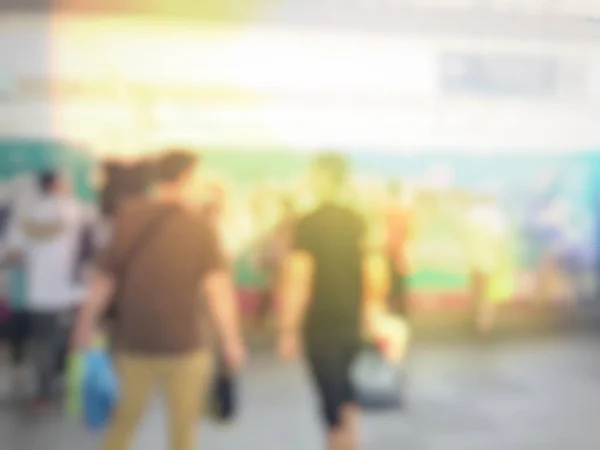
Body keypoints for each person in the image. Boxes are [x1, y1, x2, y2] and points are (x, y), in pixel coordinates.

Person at [71, 150, 245, 450]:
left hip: (133, 345)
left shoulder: (129, 217)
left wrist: (83, 328)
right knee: (184, 436)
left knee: (121, 428)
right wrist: (231, 341)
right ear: (185, 178)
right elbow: (218, 291)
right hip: (187, 346)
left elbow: (103, 281)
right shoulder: (201, 225)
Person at [278, 152, 389, 450]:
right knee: (348, 391)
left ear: (322, 177)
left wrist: (288, 328)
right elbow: (375, 270)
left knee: (330, 397)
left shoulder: (309, 223)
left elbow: (299, 277)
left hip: (321, 324)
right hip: (353, 320)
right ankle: (352, 443)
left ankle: (338, 445)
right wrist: (372, 312)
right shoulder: (359, 220)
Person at [3, 171, 89, 411]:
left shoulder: (27, 213)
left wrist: (35, 257)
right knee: (63, 338)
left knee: (42, 342)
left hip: (39, 292)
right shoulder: (76, 210)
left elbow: (14, 252)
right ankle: (65, 385)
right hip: (71, 291)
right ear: (59, 184)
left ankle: (44, 394)